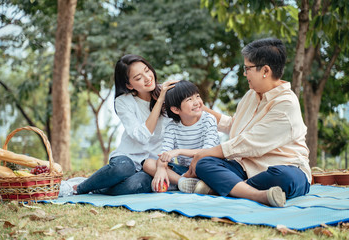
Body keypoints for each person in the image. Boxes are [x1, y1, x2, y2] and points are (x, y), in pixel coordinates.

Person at [183, 38, 311, 207]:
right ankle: (257, 194)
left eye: (247, 68)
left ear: (265, 70)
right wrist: (200, 109)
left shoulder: (286, 103)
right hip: (245, 168)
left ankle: (223, 187)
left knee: (283, 177)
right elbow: (234, 125)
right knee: (205, 164)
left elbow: (251, 143)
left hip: (284, 169)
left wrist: (204, 152)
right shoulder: (251, 95)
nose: (245, 73)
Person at [73, 54, 177, 195]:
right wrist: (159, 101)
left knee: (135, 185)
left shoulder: (168, 94)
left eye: (147, 70)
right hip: (128, 158)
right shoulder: (124, 101)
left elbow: (194, 110)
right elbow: (142, 137)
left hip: (151, 165)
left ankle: (100, 187)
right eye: (138, 78)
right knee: (122, 168)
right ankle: (81, 188)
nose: (147, 78)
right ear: (129, 84)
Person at [143, 80, 220, 193]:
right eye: (189, 99)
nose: (196, 102)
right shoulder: (172, 127)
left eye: (197, 96)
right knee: (148, 163)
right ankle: (183, 182)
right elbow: (165, 154)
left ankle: (188, 182)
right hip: (186, 171)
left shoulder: (208, 119)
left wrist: (179, 151)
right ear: (175, 109)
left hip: (206, 167)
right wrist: (160, 168)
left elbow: (207, 151)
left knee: (203, 166)